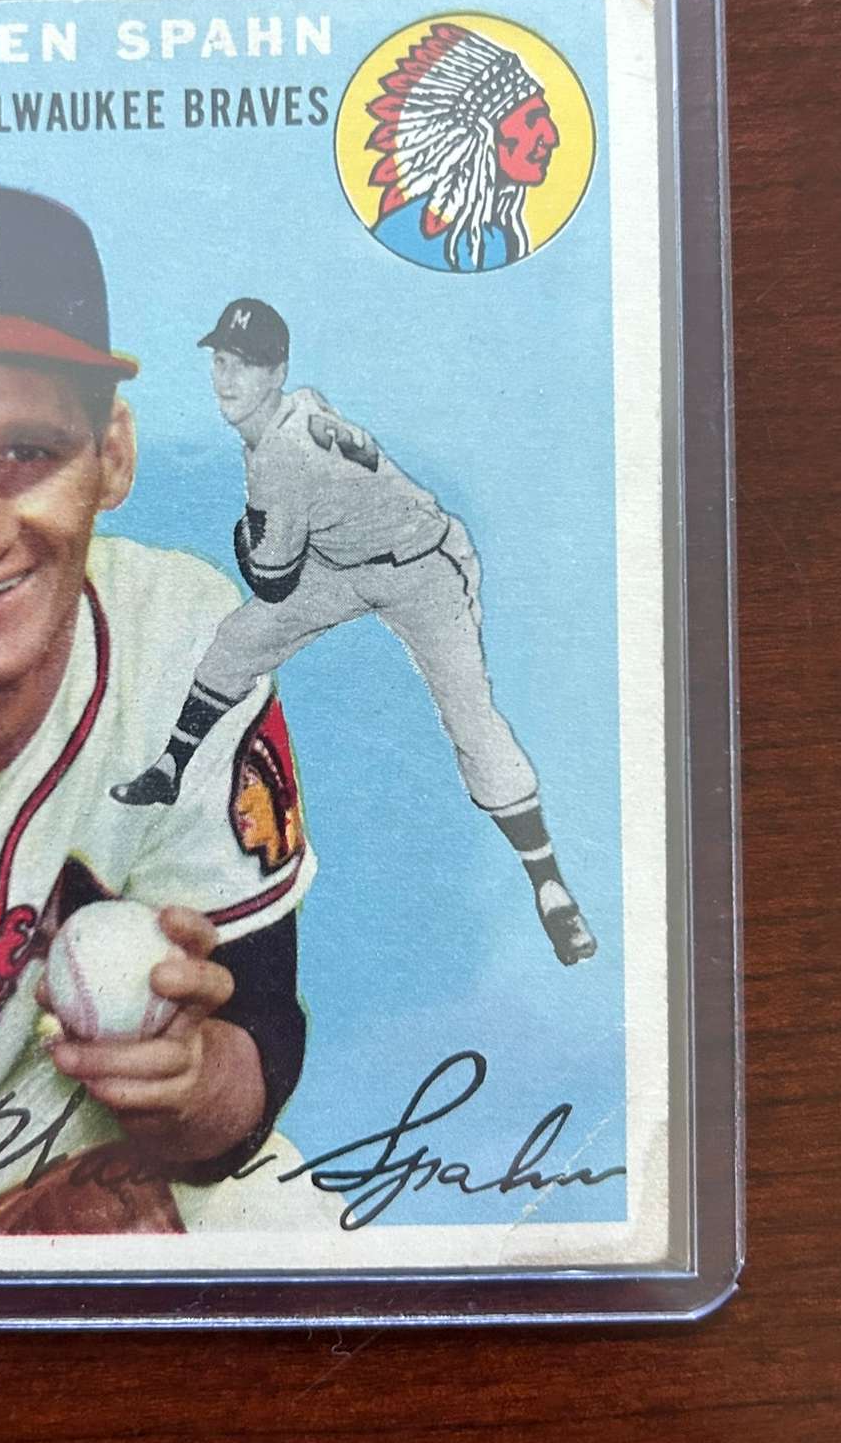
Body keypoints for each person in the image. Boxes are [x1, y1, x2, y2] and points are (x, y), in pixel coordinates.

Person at [0, 184, 324, 1237]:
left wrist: (188, 1083)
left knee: (283, 1222)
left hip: (57, 1138)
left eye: (27, 453)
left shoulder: (181, 643)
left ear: (111, 455)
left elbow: (258, 1035)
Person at [110, 298, 597, 968]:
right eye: (221, 360)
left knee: (470, 717)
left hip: (424, 564)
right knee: (239, 640)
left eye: (246, 364)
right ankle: (170, 768)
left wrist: (248, 538)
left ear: (277, 371)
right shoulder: (294, 413)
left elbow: (272, 577)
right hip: (340, 564)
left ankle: (550, 885)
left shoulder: (280, 452)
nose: (227, 377)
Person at [365, 22, 559, 272]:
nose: (551, 137)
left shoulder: (497, 236)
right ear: (479, 136)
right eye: (531, 121)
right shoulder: (405, 234)